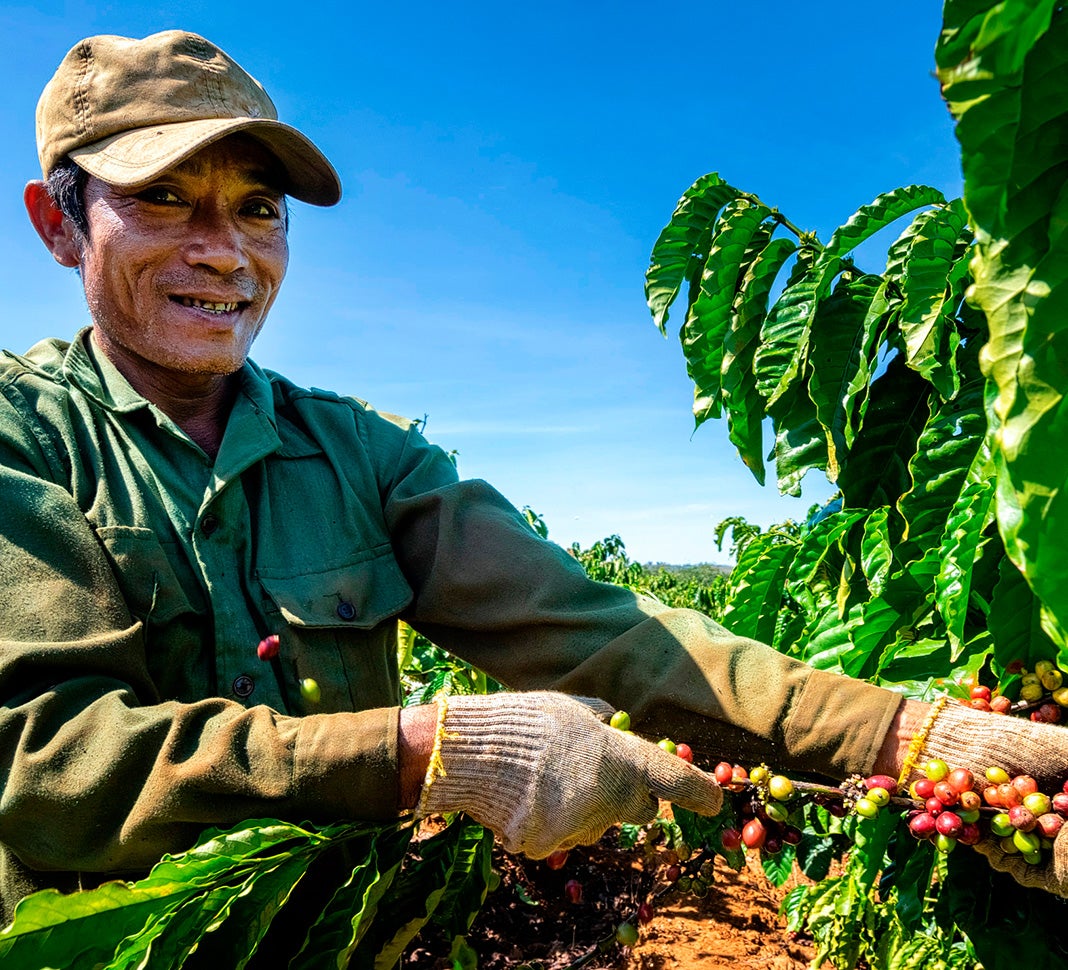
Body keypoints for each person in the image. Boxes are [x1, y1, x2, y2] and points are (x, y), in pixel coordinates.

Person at [2, 27, 1065, 948]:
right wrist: (426, 755)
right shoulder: (22, 438)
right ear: (59, 224)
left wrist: (898, 738)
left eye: (259, 209)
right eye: (163, 199)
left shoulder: (362, 454)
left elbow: (602, 633)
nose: (225, 251)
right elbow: (47, 763)